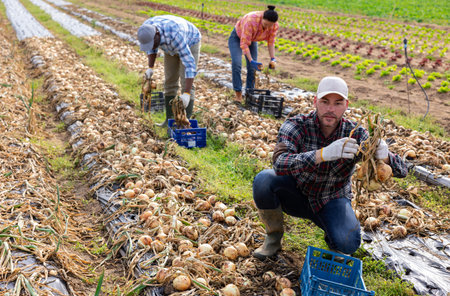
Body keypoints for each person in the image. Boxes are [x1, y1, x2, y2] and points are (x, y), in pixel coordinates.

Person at [252, 76, 408, 259]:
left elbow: (403, 171)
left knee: (348, 243)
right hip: (296, 192)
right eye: (325, 102)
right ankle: (273, 238)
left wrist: (385, 157)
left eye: (338, 103)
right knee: (264, 180)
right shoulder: (296, 125)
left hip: (331, 198)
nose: (330, 109)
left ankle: (332, 235)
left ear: (346, 105)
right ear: (315, 101)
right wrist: (322, 154)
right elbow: (279, 162)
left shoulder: (356, 133)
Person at [137, 15, 201, 127]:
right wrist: (150, 68)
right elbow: (152, 48)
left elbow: (190, 65)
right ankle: (169, 120)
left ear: (157, 35)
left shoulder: (175, 35)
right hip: (169, 45)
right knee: (169, 79)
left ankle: (185, 123)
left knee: (185, 82)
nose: (151, 46)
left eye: (153, 43)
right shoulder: (147, 29)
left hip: (190, 42)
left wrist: (186, 93)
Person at [228, 5, 279, 102]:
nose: (267, 27)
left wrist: (273, 58)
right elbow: (244, 44)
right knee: (236, 63)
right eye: (265, 24)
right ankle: (238, 94)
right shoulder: (251, 20)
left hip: (252, 39)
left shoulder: (274, 26)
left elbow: (271, 42)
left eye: (270, 25)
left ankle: (249, 94)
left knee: (252, 69)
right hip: (237, 37)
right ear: (262, 18)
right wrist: (251, 60)